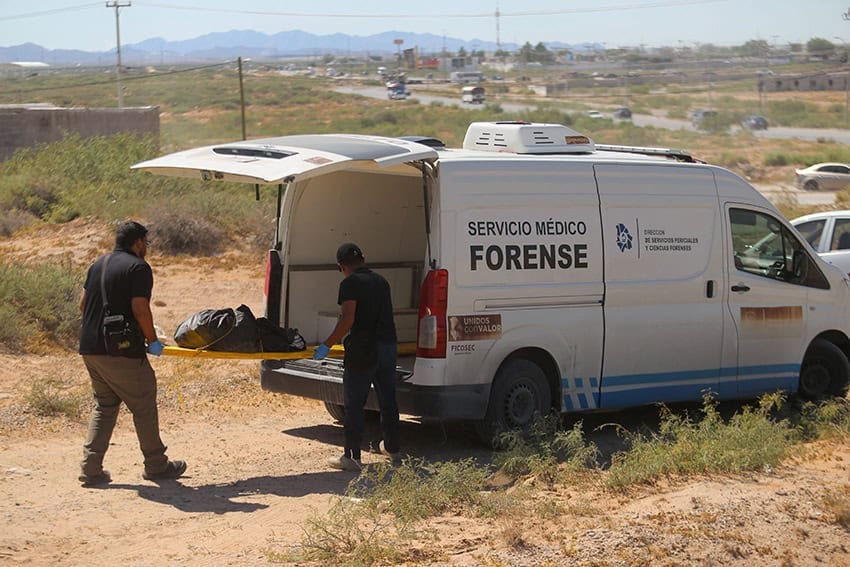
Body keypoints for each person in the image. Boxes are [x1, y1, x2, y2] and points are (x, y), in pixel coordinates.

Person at [77, 221, 186, 486]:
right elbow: (140, 309)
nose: (146, 247)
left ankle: (91, 468)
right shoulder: (138, 268)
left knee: (105, 406)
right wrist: (152, 341)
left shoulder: (98, 264)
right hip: (122, 351)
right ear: (138, 242)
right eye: (146, 243)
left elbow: (82, 305)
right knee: (143, 403)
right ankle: (156, 465)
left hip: (90, 348)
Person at [313, 242, 401, 471]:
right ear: (363, 259)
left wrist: (326, 345)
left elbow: (347, 319)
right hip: (388, 346)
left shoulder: (349, 284)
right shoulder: (381, 281)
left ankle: (351, 458)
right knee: (388, 401)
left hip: (364, 350)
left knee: (354, 404)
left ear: (342, 266)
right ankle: (393, 450)